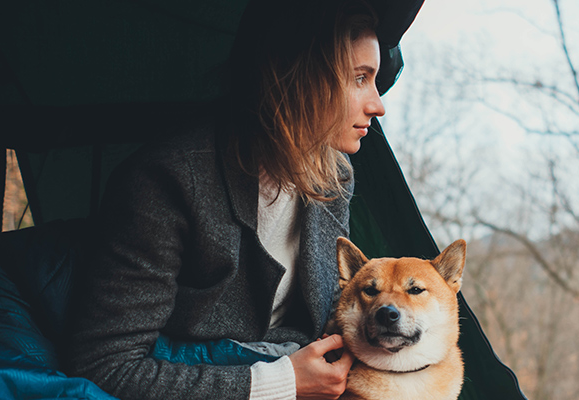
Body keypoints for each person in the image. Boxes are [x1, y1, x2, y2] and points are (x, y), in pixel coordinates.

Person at [65, 1, 386, 399]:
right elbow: (104, 366)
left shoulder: (333, 174)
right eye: (359, 78)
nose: (377, 104)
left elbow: (330, 305)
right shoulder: (169, 179)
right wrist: (280, 384)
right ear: (299, 75)